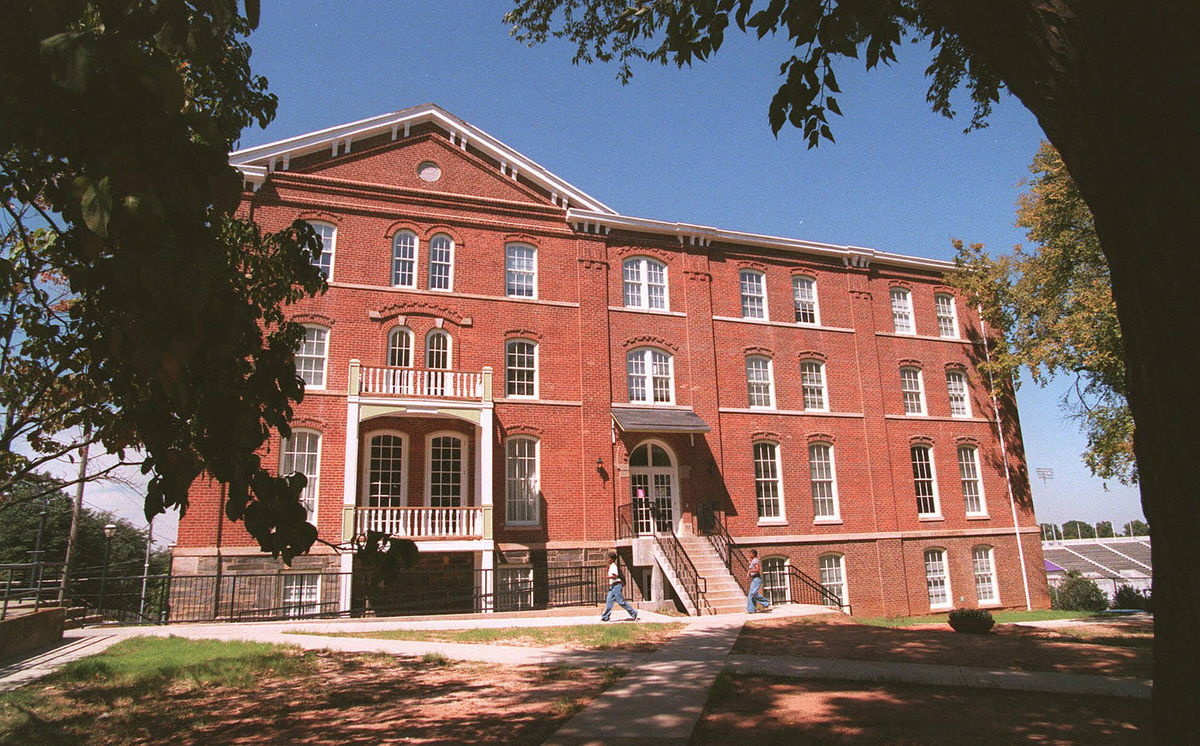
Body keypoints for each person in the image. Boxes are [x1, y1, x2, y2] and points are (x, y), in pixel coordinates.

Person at [600, 551, 638, 622]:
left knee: (620, 602)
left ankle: (634, 613)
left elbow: (615, 576)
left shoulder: (614, 566)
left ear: (612, 559)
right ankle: (605, 617)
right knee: (609, 601)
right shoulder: (611, 566)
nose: (607, 559)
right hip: (612, 586)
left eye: (608, 558)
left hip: (617, 585)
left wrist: (606, 577)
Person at [747, 548, 772, 613]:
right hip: (754, 578)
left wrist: (750, 571)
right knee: (750, 594)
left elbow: (758, 570)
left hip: (757, 579)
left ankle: (766, 603)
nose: (749, 554)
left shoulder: (755, 560)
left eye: (750, 553)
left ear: (753, 554)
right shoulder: (752, 560)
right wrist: (749, 573)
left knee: (753, 593)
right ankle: (751, 610)